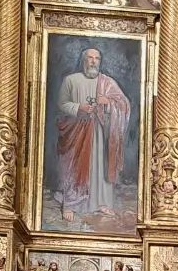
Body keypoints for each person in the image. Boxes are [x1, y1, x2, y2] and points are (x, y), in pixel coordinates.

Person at [55, 47, 132, 224]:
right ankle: (71, 204)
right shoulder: (71, 80)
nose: (93, 61)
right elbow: (62, 104)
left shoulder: (108, 82)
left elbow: (124, 104)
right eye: (90, 58)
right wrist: (78, 107)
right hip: (76, 130)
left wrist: (108, 103)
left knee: (99, 165)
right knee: (74, 166)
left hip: (101, 131)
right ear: (83, 60)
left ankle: (102, 202)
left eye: (97, 58)